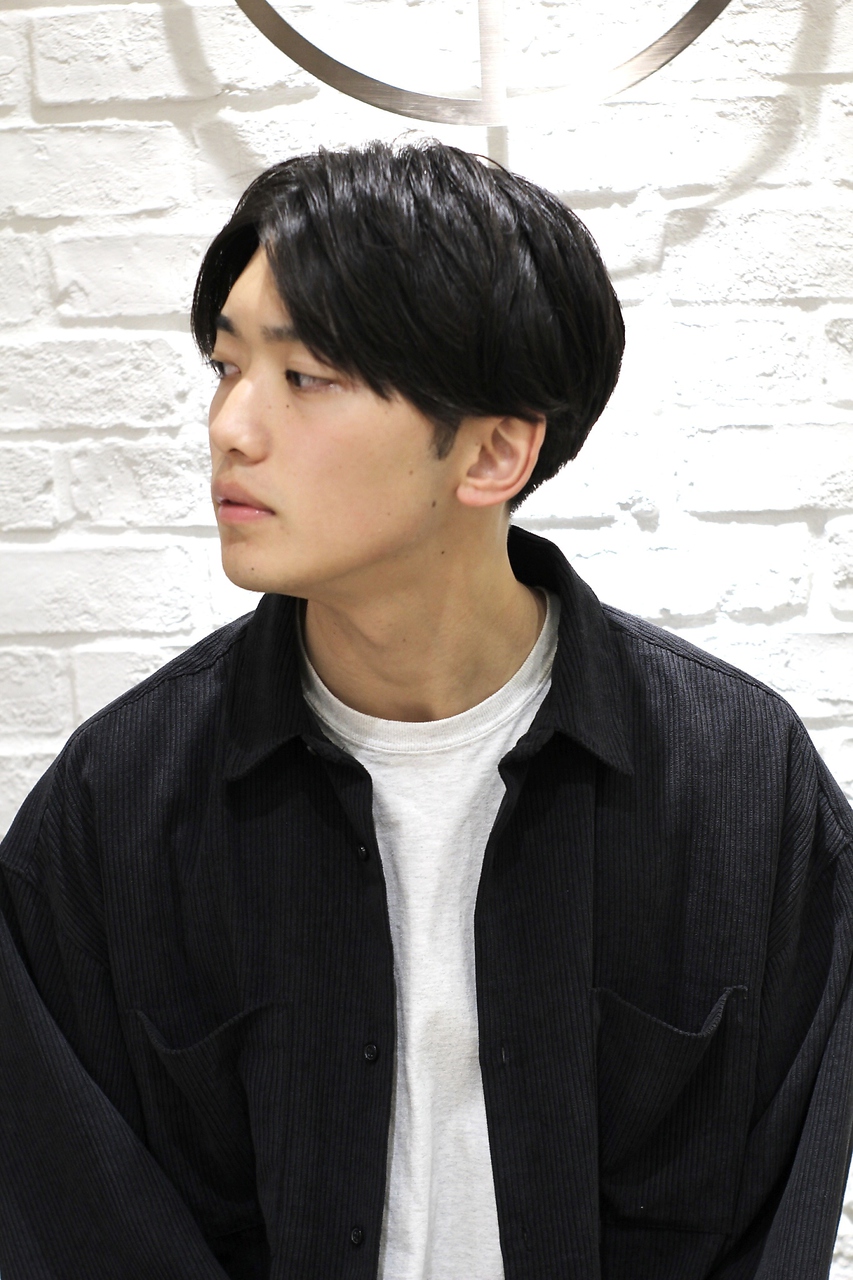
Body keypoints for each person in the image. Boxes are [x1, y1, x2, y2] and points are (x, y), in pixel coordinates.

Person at [0, 141, 852, 1280]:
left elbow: (774, 1226)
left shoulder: (746, 788)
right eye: (225, 366)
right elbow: (66, 1214)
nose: (230, 427)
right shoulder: (116, 805)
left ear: (493, 451)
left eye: (305, 376)